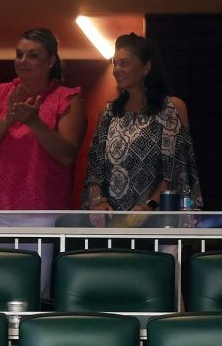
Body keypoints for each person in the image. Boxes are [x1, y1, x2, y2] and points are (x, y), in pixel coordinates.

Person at [0, 28, 86, 296]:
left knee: (30, 294)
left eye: (33, 55)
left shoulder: (66, 98)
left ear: (51, 61)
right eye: (19, 54)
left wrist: (34, 122)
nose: (22, 61)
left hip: (39, 215)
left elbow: (66, 155)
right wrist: (7, 120)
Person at [83, 33, 202, 227]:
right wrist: (98, 201)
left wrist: (149, 206)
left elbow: (176, 168)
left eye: (124, 63)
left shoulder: (171, 108)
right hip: (113, 221)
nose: (116, 70)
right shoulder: (108, 113)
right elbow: (95, 167)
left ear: (146, 68)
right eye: (115, 63)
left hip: (160, 219)